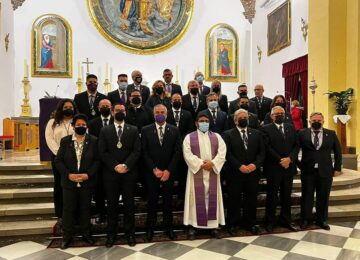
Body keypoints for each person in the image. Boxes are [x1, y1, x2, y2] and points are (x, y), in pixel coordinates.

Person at [99, 103, 141, 247]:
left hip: (129, 174)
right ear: (112, 112)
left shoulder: (133, 130)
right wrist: (115, 166)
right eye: (117, 110)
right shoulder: (105, 130)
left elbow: (136, 151)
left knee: (129, 205)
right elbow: (102, 152)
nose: (120, 112)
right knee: (112, 206)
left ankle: (130, 234)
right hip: (111, 174)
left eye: (122, 110)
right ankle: (111, 234)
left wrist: (126, 165)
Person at [55, 114, 99, 249]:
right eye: (78, 125)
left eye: (83, 125)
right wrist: (68, 175)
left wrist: (88, 174)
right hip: (69, 182)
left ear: (87, 127)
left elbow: (97, 161)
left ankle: (86, 234)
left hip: (86, 181)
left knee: (85, 208)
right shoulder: (65, 141)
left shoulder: (93, 140)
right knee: (68, 209)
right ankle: (67, 237)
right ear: (73, 126)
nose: (81, 127)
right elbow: (58, 160)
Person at [182, 112, 226, 240]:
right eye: (202, 121)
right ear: (196, 123)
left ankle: (213, 227)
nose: (204, 123)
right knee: (195, 199)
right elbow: (187, 154)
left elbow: (222, 153)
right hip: (196, 172)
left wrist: (212, 163)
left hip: (213, 171)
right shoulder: (189, 137)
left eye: (206, 121)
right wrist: (201, 164)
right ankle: (194, 227)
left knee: (212, 199)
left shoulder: (217, 137)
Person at [141, 104, 182, 242]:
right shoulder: (146, 130)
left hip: (168, 173)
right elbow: (144, 152)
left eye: (162, 112)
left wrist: (168, 170)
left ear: (167, 114)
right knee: (152, 202)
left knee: (168, 202)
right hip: (152, 173)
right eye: (157, 112)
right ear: (153, 114)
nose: (160, 114)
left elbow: (177, 152)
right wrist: (154, 169)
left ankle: (168, 228)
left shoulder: (175, 130)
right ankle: (150, 229)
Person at [223, 109, 265, 235]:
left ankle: (250, 223)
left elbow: (262, 152)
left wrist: (254, 165)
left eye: (245, 117)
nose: (243, 119)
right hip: (235, 173)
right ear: (235, 120)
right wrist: (239, 166)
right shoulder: (227, 134)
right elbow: (227, 153)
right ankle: (233, 224)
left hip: (253, 173)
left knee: (251, 199)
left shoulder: (257, 133)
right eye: (241, 117)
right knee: (234, 199)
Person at [299, 112, 342, 230]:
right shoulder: (302, 133)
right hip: (308, 171)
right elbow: (295, 149)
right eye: (314, 120)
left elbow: (338, 152)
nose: (316, 122)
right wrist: (300, 165)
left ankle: (322, 220)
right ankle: (305, 220)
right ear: (309, 121)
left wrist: (337, 168)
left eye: (319, 120)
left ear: (323, 121)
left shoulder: (331, 134)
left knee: (323, 196)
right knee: (307, 196)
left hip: (326, 171)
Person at [262, 106, 299, 233]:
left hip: (289, 167)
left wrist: (290, 159)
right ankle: (270, 221)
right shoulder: (265, 128)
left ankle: (286, 220)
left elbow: (296, 145)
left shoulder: (291, 127)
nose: (279, 115)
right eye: (276, 113)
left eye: (281, 113)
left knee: (286, 195)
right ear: (272, 116)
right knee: (272, 195)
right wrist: (281, 160)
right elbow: (267, 148)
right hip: (274, 167)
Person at [45, 99, 76, 223]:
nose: (68, 109)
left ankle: (74, 212)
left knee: (74, 185)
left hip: (76, 158)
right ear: (61, 108)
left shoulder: (77, 122)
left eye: (71, 107)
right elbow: (49, 139)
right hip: (58, 158)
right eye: (66, 107)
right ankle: (60, 213)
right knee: (59, 184)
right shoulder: (53, 122)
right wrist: (60, 154)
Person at [88, 98, 113, 223]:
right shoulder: (92, 123)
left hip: (114, 161)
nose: (104, 108)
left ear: (111, 107)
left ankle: (113, 213)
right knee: (99, 190)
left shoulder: (117, 120)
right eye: (102, 106)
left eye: (107, 106)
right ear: (98, 108)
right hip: (99, 162)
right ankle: (101, 213)